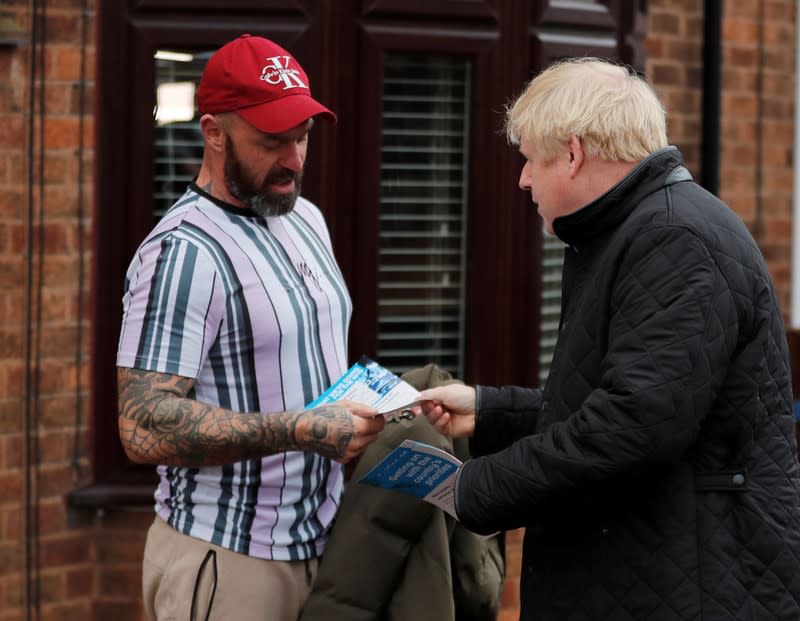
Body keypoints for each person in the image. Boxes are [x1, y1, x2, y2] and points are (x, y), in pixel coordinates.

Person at [417, 57, 800, 621]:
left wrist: (469, 487)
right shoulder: (637, 230)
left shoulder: (673, 240)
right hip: (658, 573)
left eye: (528, 160)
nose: (522, 179)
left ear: (572, 155)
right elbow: (616, 401)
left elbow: (631, 430)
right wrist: (488, 409)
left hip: (686, 586)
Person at [116, 34, 385, 621]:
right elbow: (141, 428)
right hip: (228, 560)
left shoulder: (305, 217)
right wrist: (302, 429)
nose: (293, 159)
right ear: (214, 132)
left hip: (325, 549)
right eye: (271, 141)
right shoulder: (183, 252)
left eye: (302, 137)